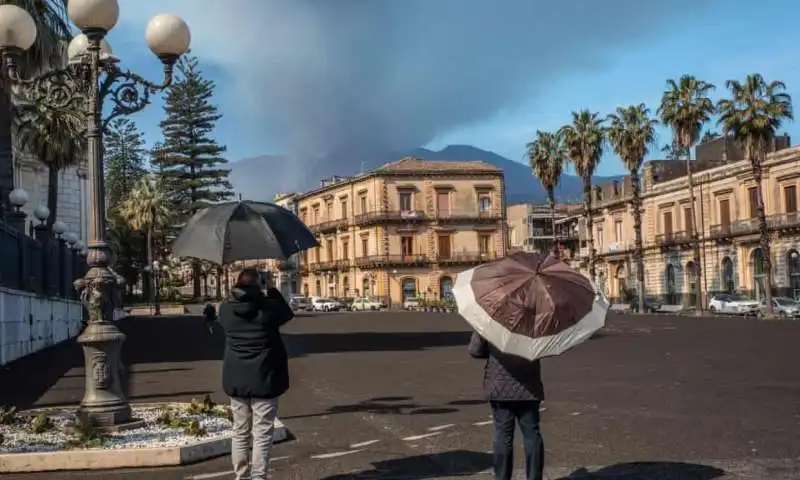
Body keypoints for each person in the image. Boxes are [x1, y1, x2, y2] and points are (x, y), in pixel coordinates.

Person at [217, 268, 294, 480]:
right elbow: (287, 313)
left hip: (236, 379)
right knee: (262, 433)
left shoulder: (225, 309)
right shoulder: (269, 310)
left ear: (236, 283)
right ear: (259, 284)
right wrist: (271, 287)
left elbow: (226, 309)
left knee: (240, 432)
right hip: (265, 378)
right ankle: (258, 477)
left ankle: (241, 476)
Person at [469, 331, 545, 480]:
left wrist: (492, 350)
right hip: (529, 385)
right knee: (532, 434)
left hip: (500, 386)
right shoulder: (535, 322)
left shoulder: (491, 319)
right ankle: (534, 477)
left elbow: (475, 350)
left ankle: (502, 477)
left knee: (503, 435)